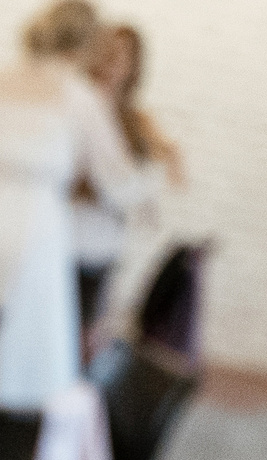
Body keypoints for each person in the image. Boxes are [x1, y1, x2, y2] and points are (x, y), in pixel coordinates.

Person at [0, 1, 146, 460]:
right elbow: (118, 182)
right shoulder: (78, 95)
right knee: (21, 359)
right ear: (87, 45)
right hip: (34, 229)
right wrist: (155, 180)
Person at [74, 21, 183, 333]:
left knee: (90, 331)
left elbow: (168, 177)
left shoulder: (137, 121)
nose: (112, 62)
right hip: (69, 235)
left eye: (122, 56)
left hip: (106, 242)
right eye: (106, 52)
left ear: (134, 67)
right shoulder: (76, 103)